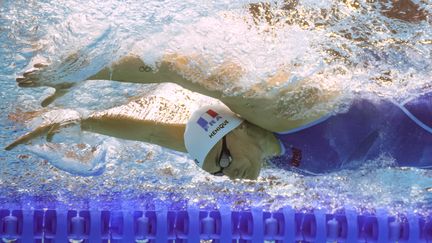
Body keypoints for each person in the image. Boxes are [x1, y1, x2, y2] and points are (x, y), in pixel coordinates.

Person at [9, 53, 432, 179]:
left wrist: (81, 72)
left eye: (224, 162)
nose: (228, 175)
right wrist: (80, 123)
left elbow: (173, 67)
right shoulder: (249, 150)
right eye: (217, 170)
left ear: (234, 129)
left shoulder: (284, 115)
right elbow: (154, 134)